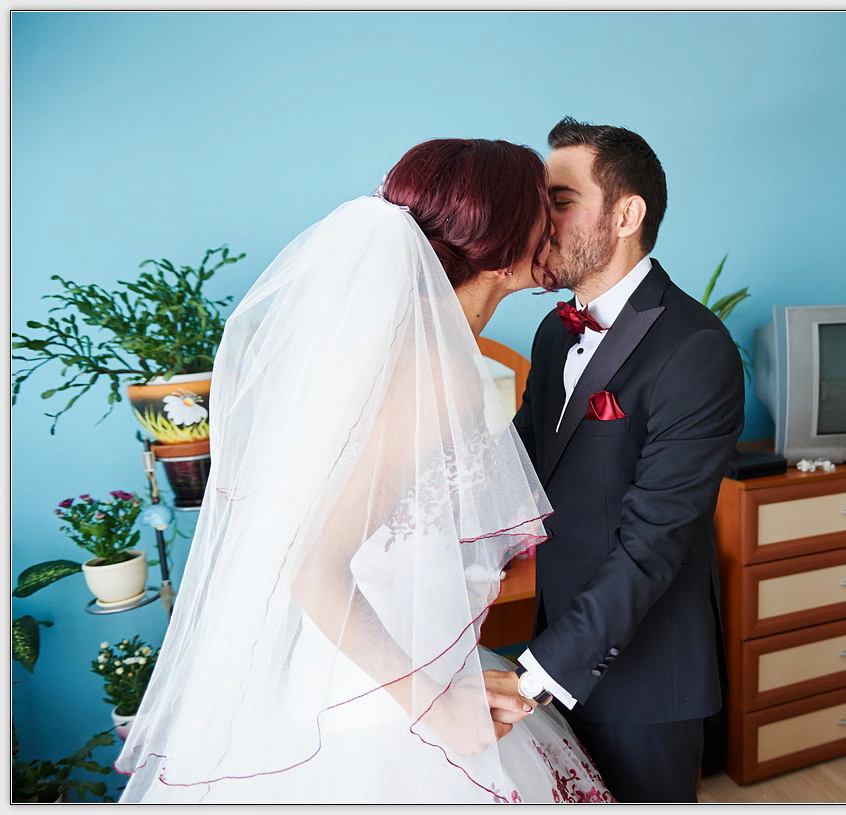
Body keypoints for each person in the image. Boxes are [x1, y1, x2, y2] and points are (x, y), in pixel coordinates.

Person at [115, 139, 614, 803]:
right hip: (382, 708)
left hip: (380, 667)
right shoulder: (436, 371)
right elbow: (311, 564)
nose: (556, 224)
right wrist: (433, 704)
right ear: (500, 242)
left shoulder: (408, 347)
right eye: (541, 208)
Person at [495, 117, 745, 802]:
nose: (541, 221)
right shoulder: (552, 333)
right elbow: (519, 465)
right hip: (558, 642)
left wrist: (537, 673)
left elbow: (652, 542)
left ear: (626, 215)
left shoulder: (696, 348)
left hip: (647, 678)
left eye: (561, 200)